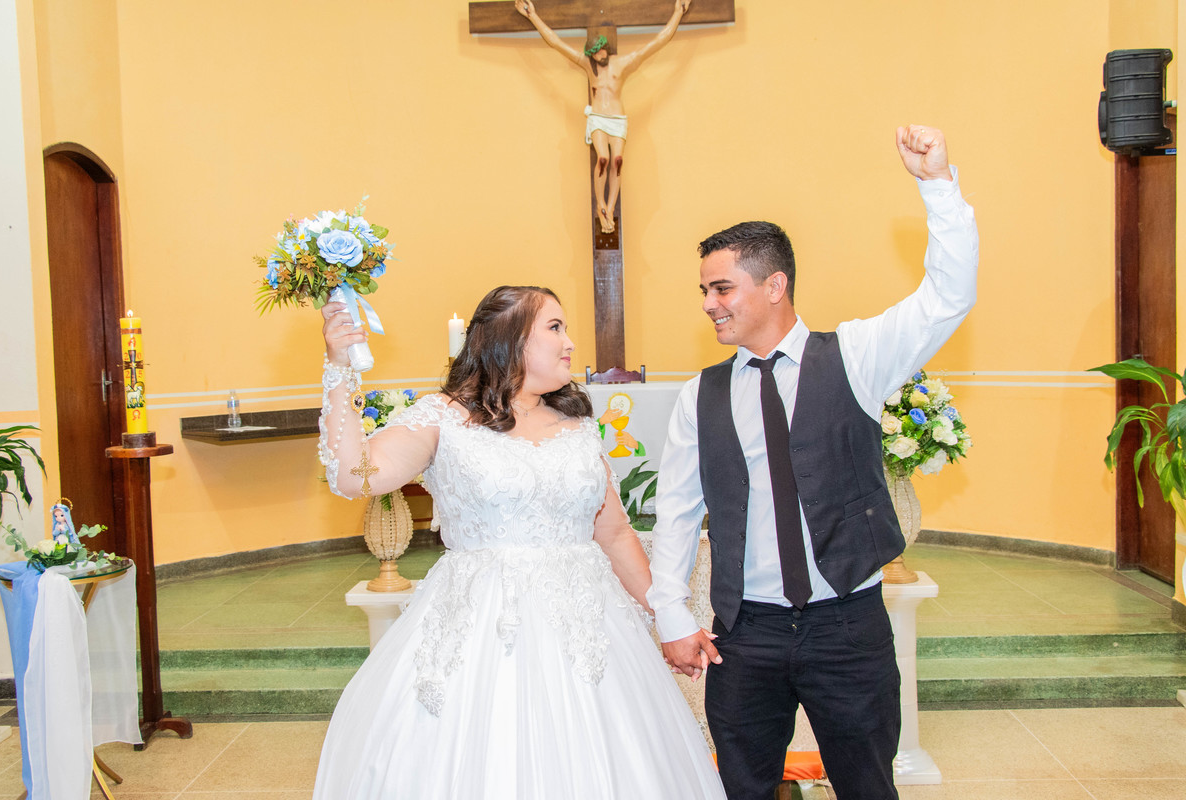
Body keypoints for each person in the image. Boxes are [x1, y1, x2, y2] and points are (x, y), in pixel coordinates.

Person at [649, 125, 979, 799]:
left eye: (722, 288)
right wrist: (672, 614)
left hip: (847, 625)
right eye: (704, 291)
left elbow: (946, 298)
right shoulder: (700, 396)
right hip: (747, 634)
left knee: (866, 787)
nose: (709, 304)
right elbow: (677, 511)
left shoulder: (856, 356)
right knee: (743, 788)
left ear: (774, 285)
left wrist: (937, 187)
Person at [312, 286, 725, 798]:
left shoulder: (576, 425)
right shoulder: (443, 418)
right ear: (508, 340)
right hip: (484, 630)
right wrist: (340, 368)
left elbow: (614, 532)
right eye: (554, 328)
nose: (569, 342)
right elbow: (354, 477)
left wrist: (668, 619)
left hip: (588, 629)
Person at [515, 0, 692, 234]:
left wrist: (678, 12)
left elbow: (658, 41)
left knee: (617, 160)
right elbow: (556, 43)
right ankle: (600, 204)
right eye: (595, 53)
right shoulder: (588, 65)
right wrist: (532, 16)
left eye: (601, 50)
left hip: (617, 119)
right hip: (598, 117)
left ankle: (610, 207)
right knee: (603, 159)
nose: (600, 55)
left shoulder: (624, 63)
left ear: (606, 48)